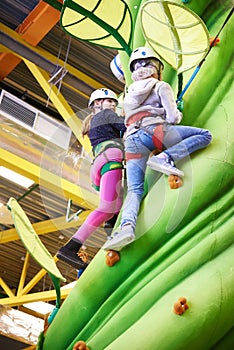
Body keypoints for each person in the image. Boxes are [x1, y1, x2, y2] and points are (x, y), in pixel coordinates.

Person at [102, 46, 212, 251]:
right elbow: (172, 118)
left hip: (132, 140)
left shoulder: (127, 94)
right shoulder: (161, 86)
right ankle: (166, 158)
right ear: (157, 67)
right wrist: (177, 111)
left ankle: (127, 227)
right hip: (156, 131)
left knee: (134, 189)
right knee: (205, 135)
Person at [57, 88, 126, 269]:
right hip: (111, 158)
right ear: (97, 103)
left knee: (115, 208)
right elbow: (127, 125)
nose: (113, 105)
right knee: (107, 207)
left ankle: (112, 238)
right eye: (109, 101)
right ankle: (71, 247)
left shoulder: (94, 121)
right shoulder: (105, 115)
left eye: (114, 103)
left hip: (99, 163)